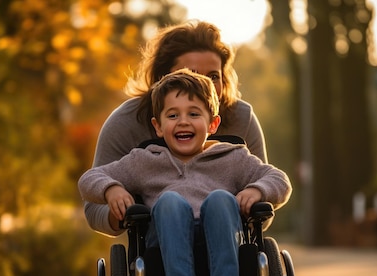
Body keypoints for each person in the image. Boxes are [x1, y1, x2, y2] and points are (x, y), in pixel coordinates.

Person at [78, 69, 292, 276]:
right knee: (169, 201)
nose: (183, 122)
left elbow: (280, 180)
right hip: (166, 246)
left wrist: (256, 189)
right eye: (172, 115)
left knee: (220, 199)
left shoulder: (233, 157)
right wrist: (112, 189)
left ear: (213, 124)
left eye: (193, 114)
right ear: (157, 126)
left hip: (222, 241)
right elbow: (89, 178)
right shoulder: (145, 161)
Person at [84, 20, 268, 237]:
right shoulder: (126, 122)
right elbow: (93, 206)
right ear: (162, 80)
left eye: (213, 76)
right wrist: (119, 203)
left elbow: (268, 191)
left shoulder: (241, 119)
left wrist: (251, 198)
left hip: (227, 234)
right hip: (159, 237)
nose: (202, 84)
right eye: (190, 73)